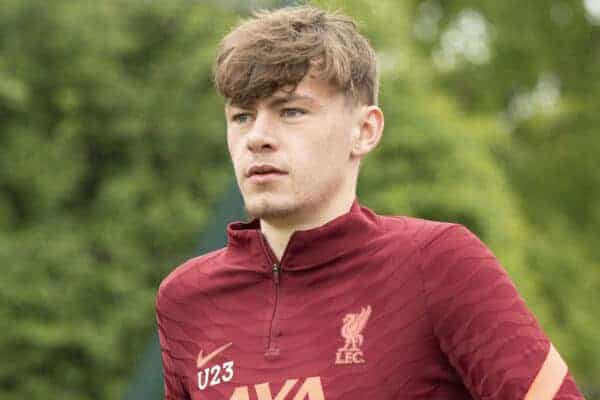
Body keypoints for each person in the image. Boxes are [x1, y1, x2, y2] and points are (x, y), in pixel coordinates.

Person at [155, 5, 584, 399]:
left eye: (291, 111)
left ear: (365, 130)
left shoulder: (437, 263)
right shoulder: (186, 300)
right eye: (242, 116)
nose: (257, 137)